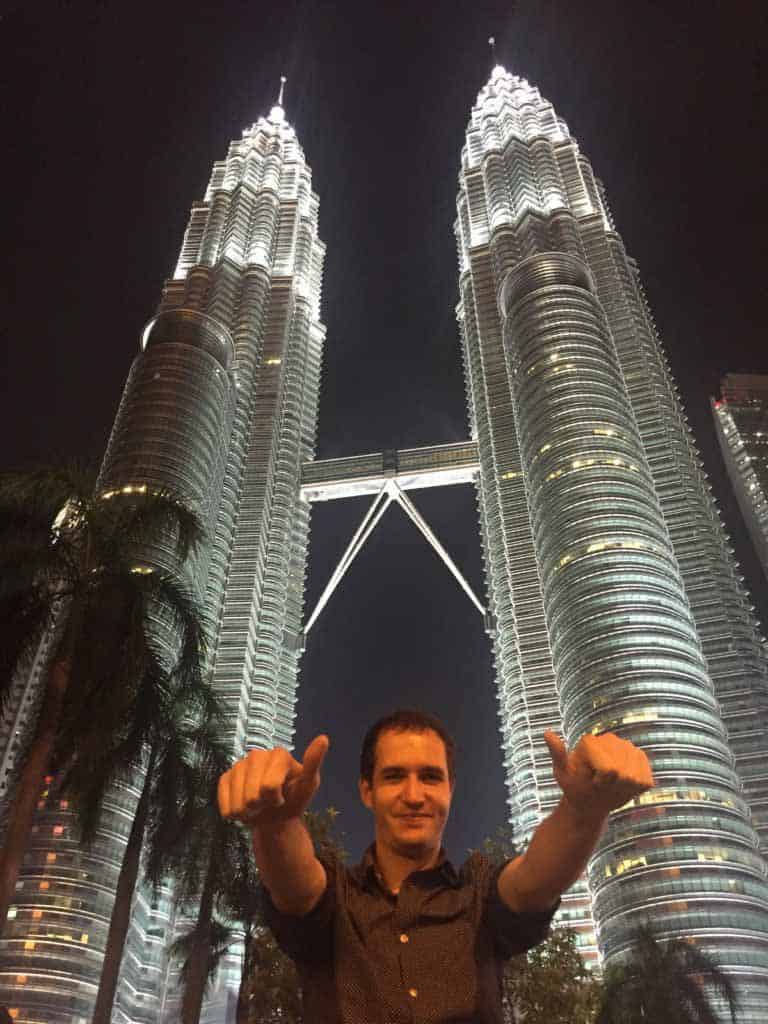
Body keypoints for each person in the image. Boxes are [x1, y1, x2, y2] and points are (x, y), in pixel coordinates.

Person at [218, 709, 654, 1023]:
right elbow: (296, 887)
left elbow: (535, 879)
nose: (413, 795)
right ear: (366, 791)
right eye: (393, 777)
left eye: (430, 776)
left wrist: (583, 809)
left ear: (450, 789)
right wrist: (276, 821)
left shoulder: (479, 893)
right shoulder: (336, 897)